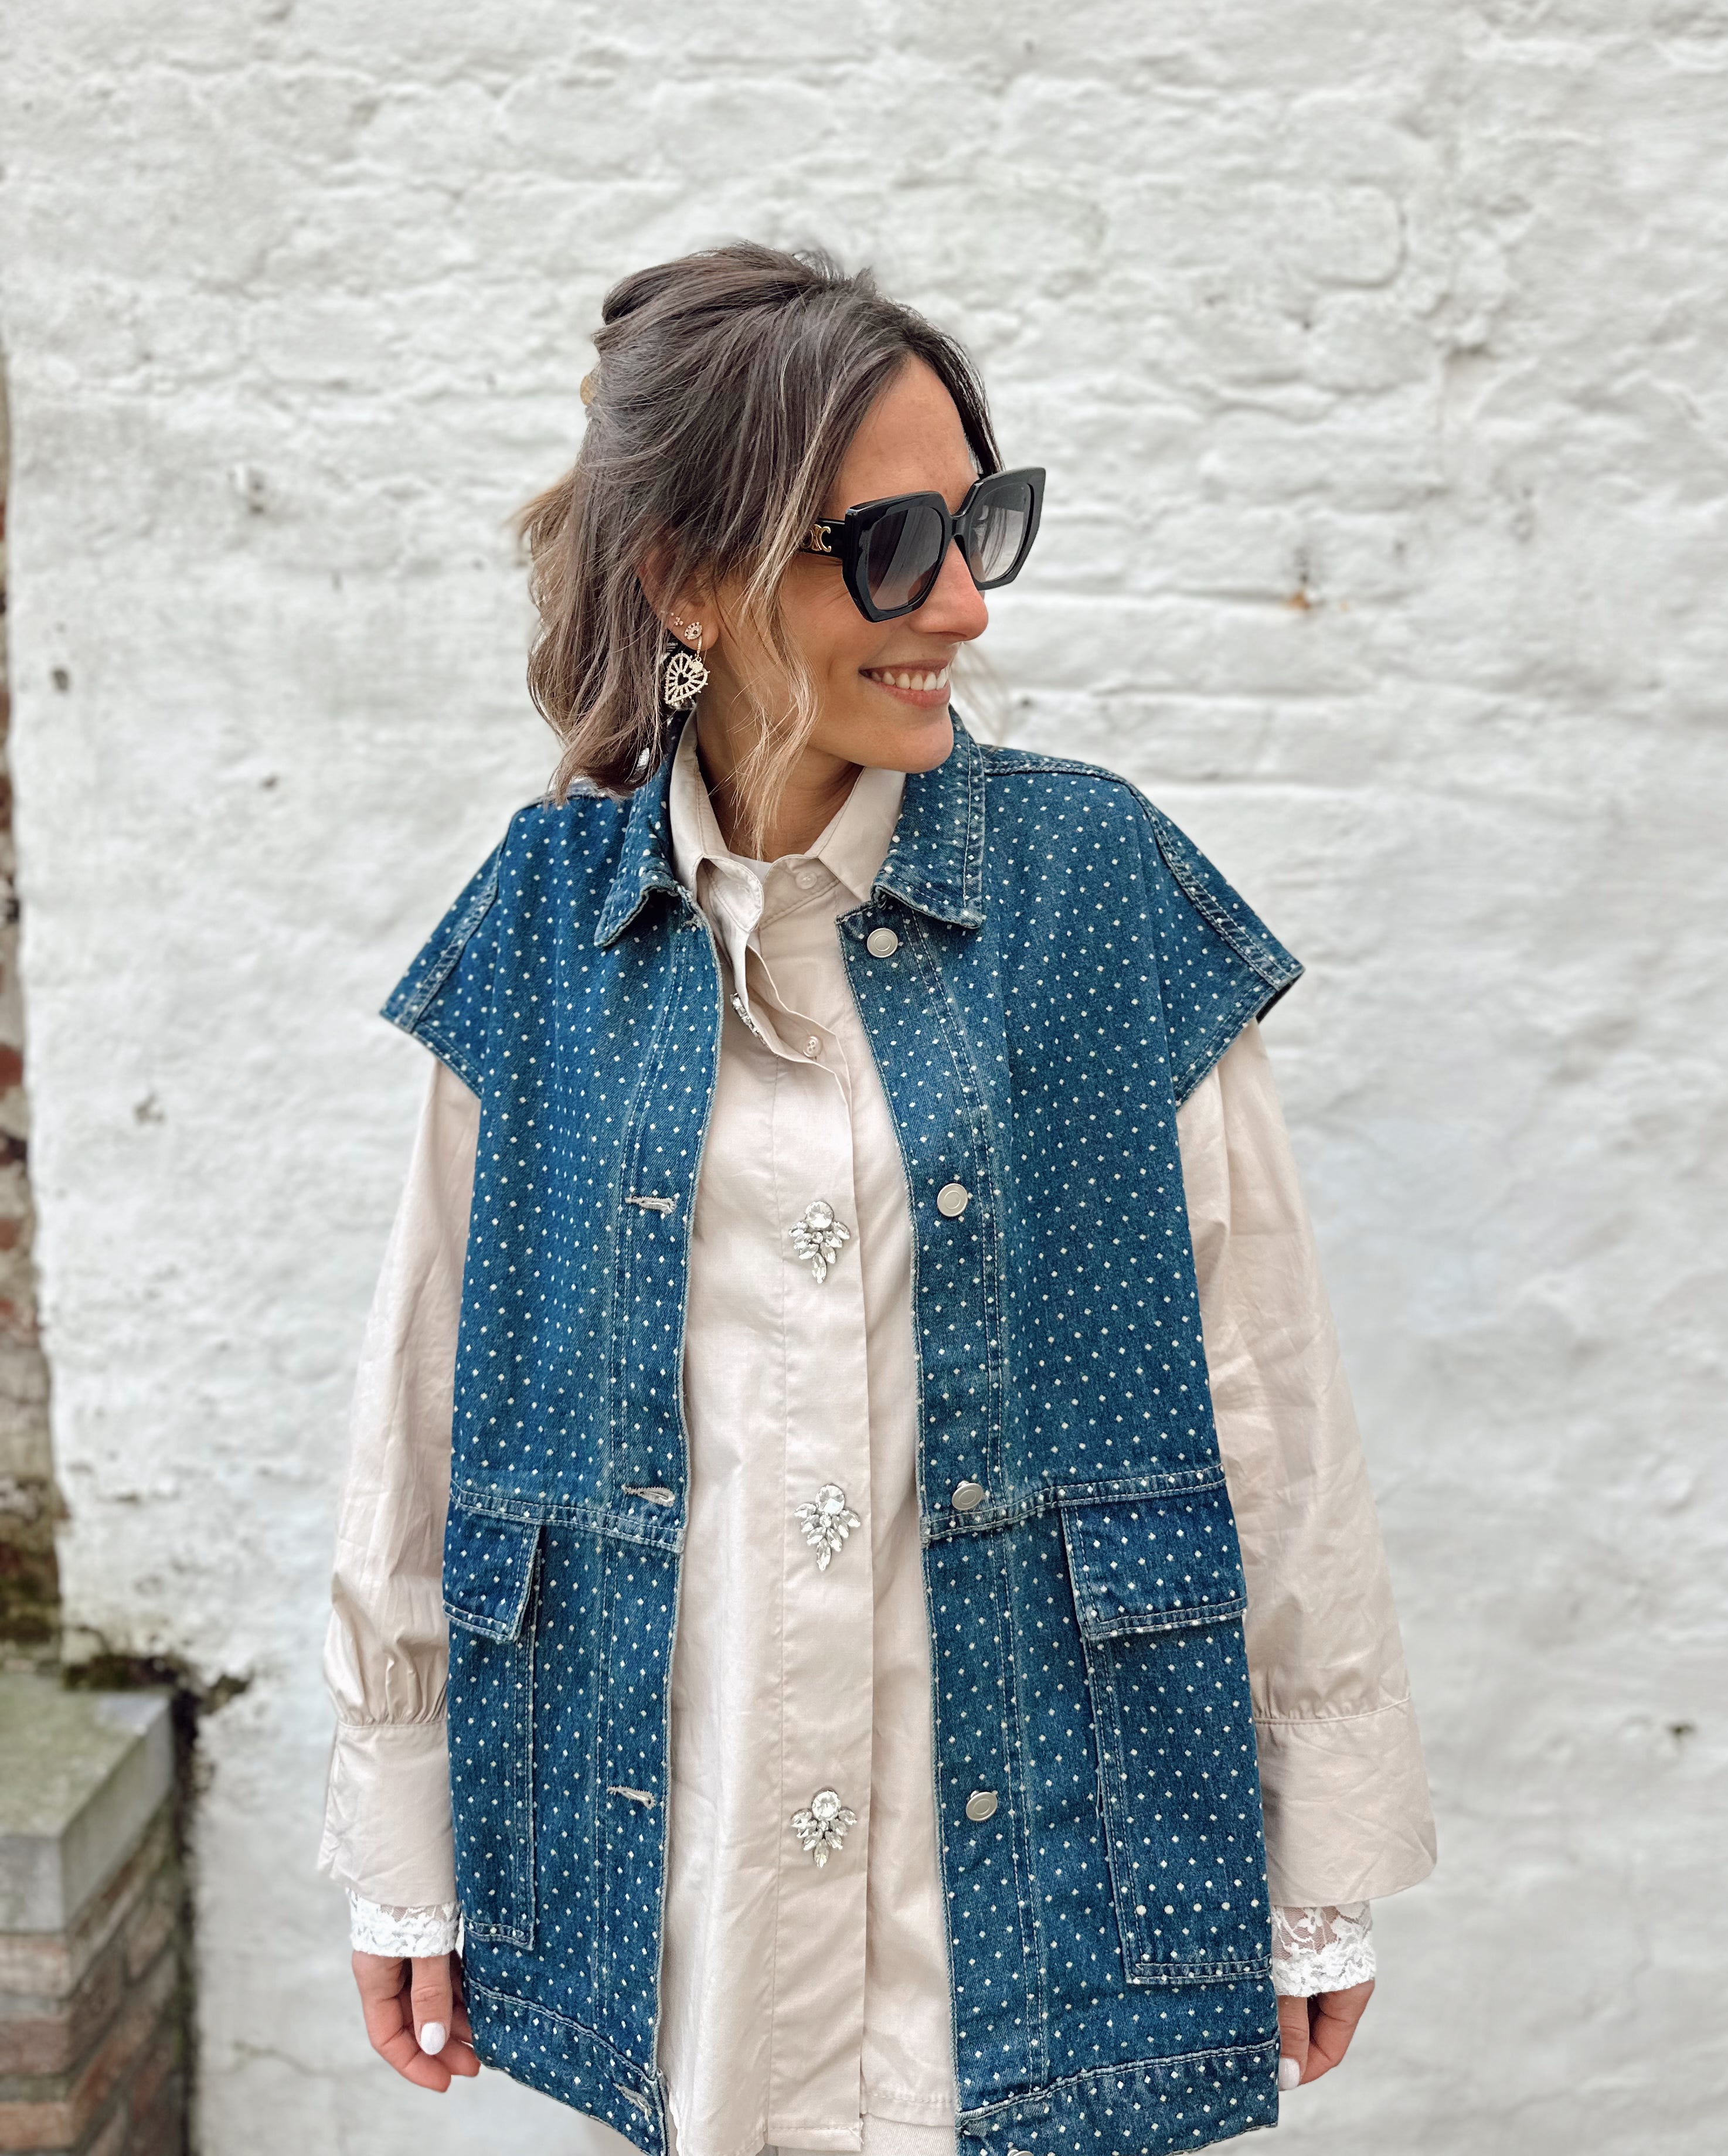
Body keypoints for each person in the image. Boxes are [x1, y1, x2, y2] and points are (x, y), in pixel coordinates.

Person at [318, 243, 1434, 2155]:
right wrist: (402, 1836)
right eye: (893, 546)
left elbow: (1272, 1394)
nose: (967, 606)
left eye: (980, 526)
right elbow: (427, 1395)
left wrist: (1319, 1839)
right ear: (689, 577)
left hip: (1034, 1879)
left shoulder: (1096, 890)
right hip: (684, 1882)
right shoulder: (545, 928)